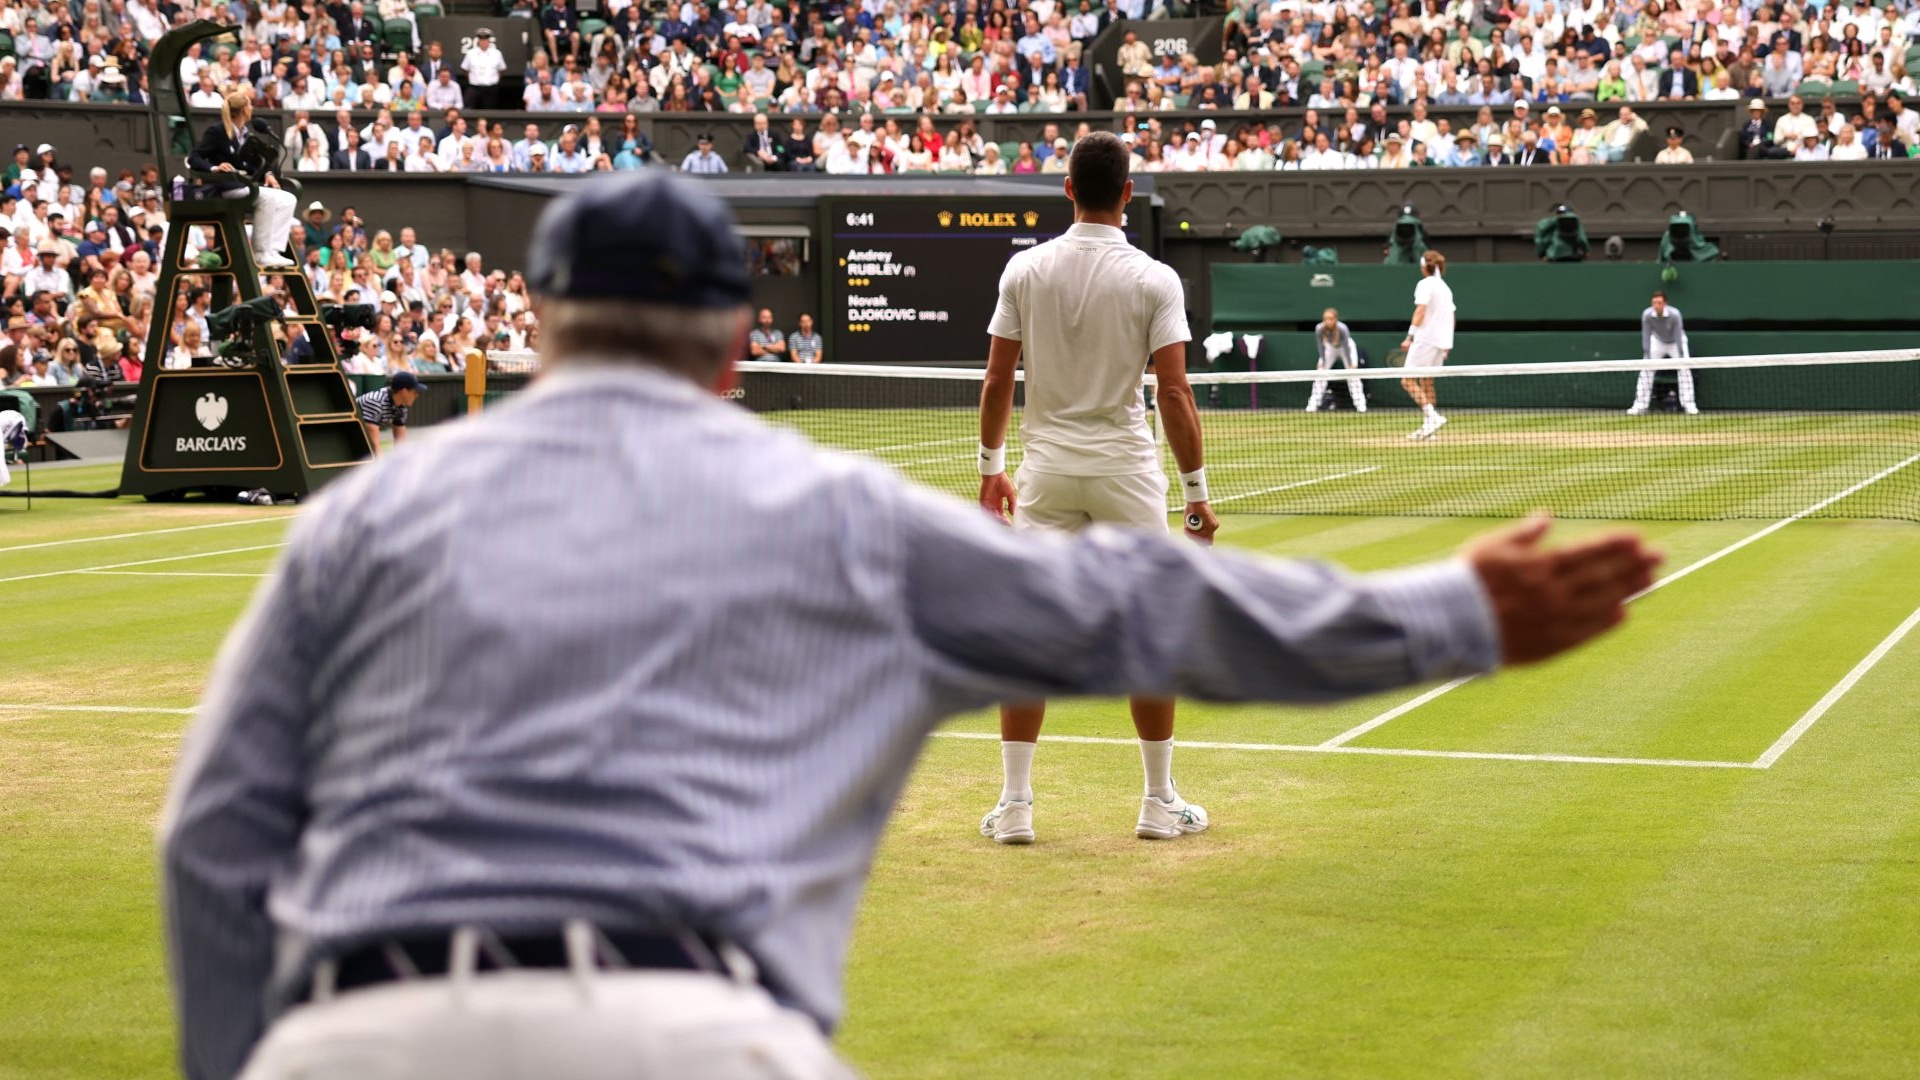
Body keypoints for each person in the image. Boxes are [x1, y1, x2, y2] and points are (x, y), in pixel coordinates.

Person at [160, 170, 1661, 1080]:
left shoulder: (364, 514)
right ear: (742, 342)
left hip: (343, 1038)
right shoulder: (837, 520)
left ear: (541, 325)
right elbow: (1142, 605)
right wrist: (1448, 614)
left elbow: (214, 843)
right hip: (696, 1028)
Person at [975, 131, 1217, 846]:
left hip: (1045, 473)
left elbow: (996, 380)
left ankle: (1016, 807)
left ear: (1068, 189)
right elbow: (1173, 393)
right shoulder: (1155, 278)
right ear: (1129, 195)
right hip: (1127, 473)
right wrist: (1197, 493)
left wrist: (992, 470)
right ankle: (1157, 803)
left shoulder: (1025, 270)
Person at [188, 89, 298, 269]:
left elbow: (251, 164)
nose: (252, 108)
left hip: (245, 185)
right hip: (225, 187)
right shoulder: (217, 130)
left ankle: (274, 250)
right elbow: (194, 157)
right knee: (267, 198)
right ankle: (261, 252)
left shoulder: (245, 133)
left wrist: (268, 174)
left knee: (288, 199)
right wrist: (215, 168)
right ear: (244, 109)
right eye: (250, 104)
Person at [1399, 249, 1454, 440]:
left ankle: (1433, 417)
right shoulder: (1445, 288)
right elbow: (1451, 316)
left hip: (1425, 339)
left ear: (1424, 266)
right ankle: (1430, 428)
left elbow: (1420, 310)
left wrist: (1410, 336)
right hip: (1441, 341)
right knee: (1427, 381)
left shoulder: (1425, 284)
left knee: (1407, 380)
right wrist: (1447, 343)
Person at [1627, 290, 1698, 415]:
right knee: (1645, 371)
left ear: (1665, 303)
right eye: (1654, 302)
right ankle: (1640, 406)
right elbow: (1646, 335)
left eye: (1659, 302)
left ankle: (1689, 405)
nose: (1656, 305)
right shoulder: (1647, 315)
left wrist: (1681, 355)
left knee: (1685, 370)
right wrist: (1647, 355)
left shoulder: (1675, 314)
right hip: (1658, 342)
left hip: (1676, 342)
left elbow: (1677, 334)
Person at [1306, 306, 1367, 413]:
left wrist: (1349, 364)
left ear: (1335, 319)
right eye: (1325, 318)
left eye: (1330, 318)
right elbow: (1320, 345)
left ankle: (1361, 406)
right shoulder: (1319, 328)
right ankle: (1312, 405)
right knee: (1320, 373)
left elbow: (1346, 346)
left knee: (1352, 374)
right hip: (1330, 348)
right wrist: (1322, 361)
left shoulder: (1343, 328)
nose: (1327, 321)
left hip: (1346, 348)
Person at [355, 368, 422, 453]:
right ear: (404, 392)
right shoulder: (375, 402)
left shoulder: (401, 407)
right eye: (415, 392)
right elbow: (373, 445)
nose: (417, 396)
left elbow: (401, 443)